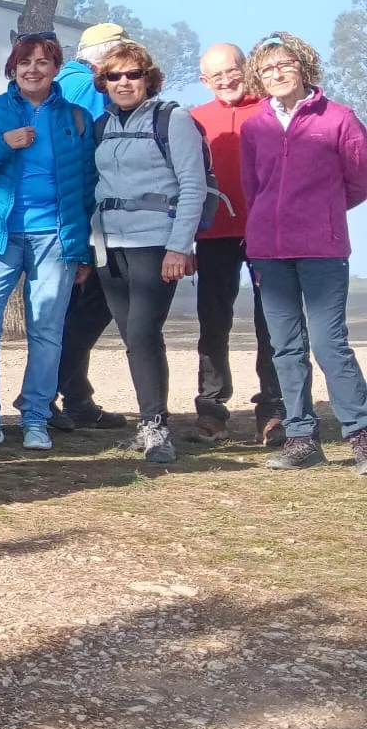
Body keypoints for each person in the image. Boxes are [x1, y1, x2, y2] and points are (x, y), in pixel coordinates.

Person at [0, 31, 97, 452]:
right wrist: (2, 144)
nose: (33, 70)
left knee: (47, 330)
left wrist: (82, 248)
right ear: (12, 69)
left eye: (43, 62)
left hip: (55, 236)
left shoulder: (76, 118)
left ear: (56, 69)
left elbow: (87, 187)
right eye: (25, 62)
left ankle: (36, 419)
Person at [238, 33, 367, 475]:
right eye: (267, 68)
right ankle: (301, 439)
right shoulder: (255, 126)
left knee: (330, 344)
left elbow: (359, 180)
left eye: (284, 65)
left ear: (303, 66)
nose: (276, 74)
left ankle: (361, 435)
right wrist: (257, 237)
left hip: (322, 249)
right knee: (286, 347)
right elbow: (253, 189)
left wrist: (322, 212)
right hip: (269, 253)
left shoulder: (339, 119)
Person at [89, 42, 209, 463]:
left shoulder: (173, 119)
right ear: (103, 83)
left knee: (142, 333)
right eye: (114, 76)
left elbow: (192, 185)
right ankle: (147, 424)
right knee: (131, 338)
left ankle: (157, 427)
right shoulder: (101, 125)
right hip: (110, 247)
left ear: (148, 78)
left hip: (155, 243)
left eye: (132, 75)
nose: (124, 83)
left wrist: (179, 246)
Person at [187, 42, 284, 446]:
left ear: (247, 69)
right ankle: (212, 411)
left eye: (233, 70)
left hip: (269, 233)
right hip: (213, 236)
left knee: (274, 324)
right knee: (213, 324)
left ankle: (274, 411)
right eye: (216, 75)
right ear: (204, 80)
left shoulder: (271, 109)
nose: (227, 80)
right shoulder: (192, 119)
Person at [51, 23, 131, 431]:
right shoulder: (92, 88)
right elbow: (97, 150)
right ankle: (56, 392)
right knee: (91, 307)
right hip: (90, 209)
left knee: (69, 309)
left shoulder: (64, 81)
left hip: (66, 210)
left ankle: (70, 397)